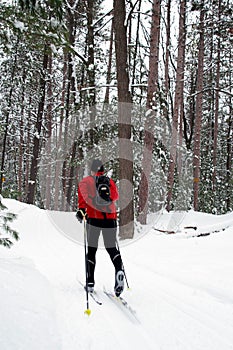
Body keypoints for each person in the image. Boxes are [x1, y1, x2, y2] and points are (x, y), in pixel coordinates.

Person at [76, 159, 124, 297]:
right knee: (111, 248)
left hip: (94, 218)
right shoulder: (110, 182)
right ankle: (118, 269)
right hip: (110, 218)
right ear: (102, 170)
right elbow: (115, 196)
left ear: (91, 170)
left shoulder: (86, 182)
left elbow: (83, 199)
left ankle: (90, 281)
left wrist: (82, 210)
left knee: (91, 249)